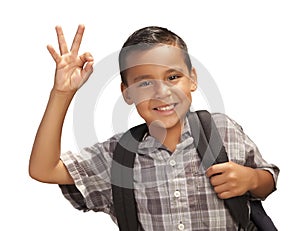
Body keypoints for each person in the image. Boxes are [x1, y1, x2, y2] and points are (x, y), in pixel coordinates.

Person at [29, 24, 279, 230]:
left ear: (192, 79)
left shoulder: (221, 129)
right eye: (145, 82)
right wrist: (62, 93)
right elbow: (44, 170)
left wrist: (252, 179)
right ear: (127, 93)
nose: (162, 92)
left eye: (173, 77)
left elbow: (268, 178)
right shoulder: (118, 156)